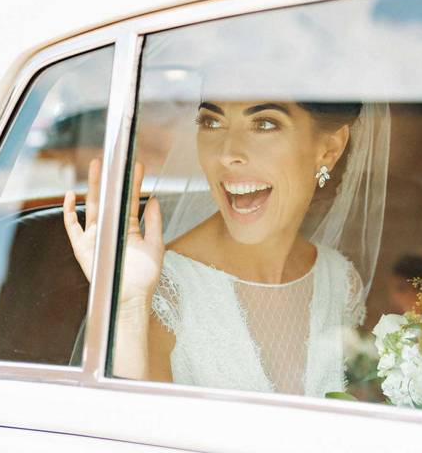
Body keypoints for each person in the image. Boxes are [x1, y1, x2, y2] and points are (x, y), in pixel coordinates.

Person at [63, 99, 388, 397]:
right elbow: (129, 432)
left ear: (329, 149)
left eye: (264, 124)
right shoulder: (160, 289)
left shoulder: (340, 281)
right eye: (212, 122)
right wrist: (129, 305)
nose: (227, 153)